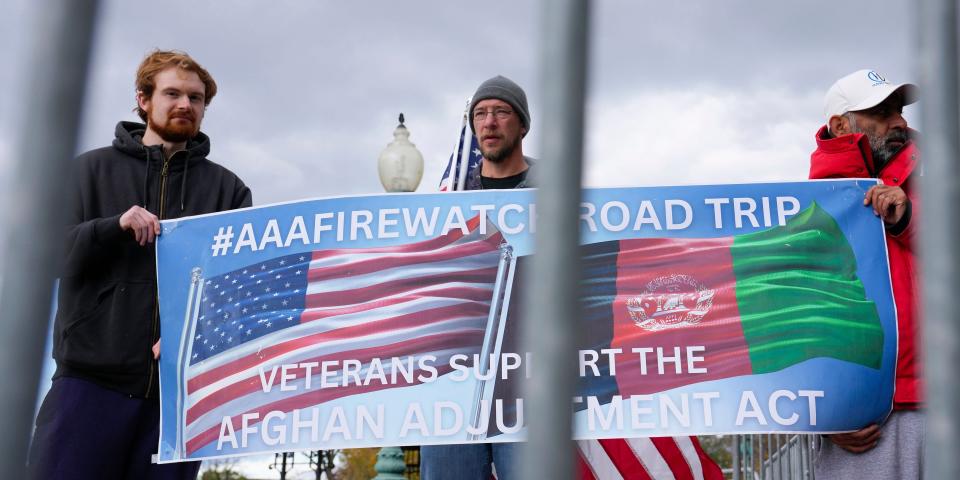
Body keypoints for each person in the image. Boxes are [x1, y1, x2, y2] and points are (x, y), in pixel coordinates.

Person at [28, 50, 252, 479]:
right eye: (172, 93)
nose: (186, 104)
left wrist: (194, 336)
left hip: (178, 398)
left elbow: (238, 290)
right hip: (88, 385)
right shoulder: (89, 171)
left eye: (196, 97)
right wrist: (112, 227)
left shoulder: (230, 192)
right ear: (144, 100)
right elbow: (47, 254)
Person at [808, 69, 922, 479]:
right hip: (861, 427)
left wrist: (909, 216)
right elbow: (787, 319)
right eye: (881, 112)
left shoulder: (938, 186)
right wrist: (819, 415)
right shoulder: (801, 211)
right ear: (840, 125)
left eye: (899, 110)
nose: (900, 122)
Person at [420, 75, 534, 480]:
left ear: (522, 124)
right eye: (480, 114)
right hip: (455, 379)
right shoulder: (447, 200)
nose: (489, 122)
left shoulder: (554, 191)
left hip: (528, 377)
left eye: (501, 112)